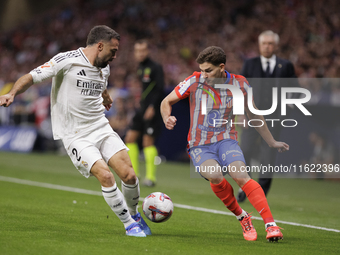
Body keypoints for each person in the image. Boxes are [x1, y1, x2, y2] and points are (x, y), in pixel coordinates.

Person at [0, 25, 151, 237]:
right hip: (75, 134)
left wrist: (105, 96)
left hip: (99, 125)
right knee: (106, 176)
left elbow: (99, 81)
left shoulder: (104, 65)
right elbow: (31, 77)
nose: (115, 56)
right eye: (113, 51)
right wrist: (13, 93)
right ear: (100, 46)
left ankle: (135, 214)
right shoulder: (66, 60)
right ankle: (129, 224)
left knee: (130, 175)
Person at [161, 46, 288, 242]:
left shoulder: (239, 83)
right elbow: (166, 101)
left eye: (208, 70)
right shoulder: (194, 80)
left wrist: (271, 141)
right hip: (199, 145)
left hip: (226, 140)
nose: (203, 75)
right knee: (214, 175)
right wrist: (166, 117)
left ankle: (271, 225)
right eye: (201, 70)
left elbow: (254, 113)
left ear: (221, 67)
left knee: (241, 175)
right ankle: (242, 217)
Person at [237, 30, 297, 202]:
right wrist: (241, 114)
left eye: (270, 43)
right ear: (259, 45)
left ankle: (260, 193)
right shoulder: (250, 64)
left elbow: (295, 87)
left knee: (268, 156)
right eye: (264, 43)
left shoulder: (285, 65)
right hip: (251, 116)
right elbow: (241, 89)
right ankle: (245, 187)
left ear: (276, 45)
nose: (267, 46)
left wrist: (289, 101)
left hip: (274, 118)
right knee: (245, 151)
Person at [125, 39, 165, 187]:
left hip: (151, 109)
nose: (140, 53)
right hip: (142, 108)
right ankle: (134, 174)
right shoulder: (140, 67)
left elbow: (160, 89)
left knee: (148, 141)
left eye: (143, 50)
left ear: (147, 51)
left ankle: (151, 178)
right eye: (137, 51)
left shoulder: (155, 67)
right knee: (130, 138)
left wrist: (153, 107)